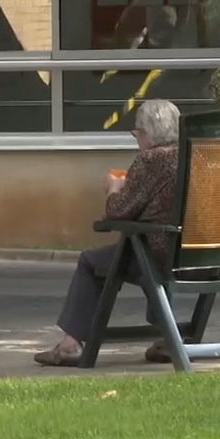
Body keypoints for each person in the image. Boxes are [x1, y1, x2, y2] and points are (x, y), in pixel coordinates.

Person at [33, 99, 181, 367]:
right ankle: (169, 339)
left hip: (162, 256)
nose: (138, 140)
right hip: (204, 255)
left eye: (137, 134)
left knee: (92, 261)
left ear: (146, 134)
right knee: (154, 252)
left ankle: (70, 346)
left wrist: (115, 186)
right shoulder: (196, 158)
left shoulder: (151, 160)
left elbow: (117, 213)